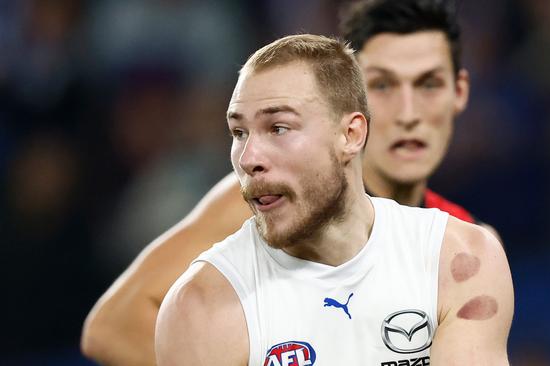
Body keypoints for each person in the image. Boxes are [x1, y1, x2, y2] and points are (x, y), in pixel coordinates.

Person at [82, 1, 500, 364]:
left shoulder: (464, 244)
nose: (408, 112)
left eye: (428, 85)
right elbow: (113, 328)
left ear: (459, 94)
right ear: (352, 106)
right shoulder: (261, 199)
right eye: (382, 85)